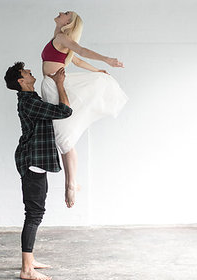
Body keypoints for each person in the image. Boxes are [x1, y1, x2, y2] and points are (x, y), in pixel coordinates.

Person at [41, 11, 129, 208]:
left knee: (63, 136)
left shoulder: (63, 38)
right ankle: (71, 182)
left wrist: (106, 61)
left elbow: (81, 52)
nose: (60, 13)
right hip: (51, 85)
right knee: (63, 136)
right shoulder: (58, 37)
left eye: (66, 14)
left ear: (68, 22)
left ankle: (71, 184)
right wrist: (96, 69)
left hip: (57, 86)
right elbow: (77, 61)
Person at [4, 62, 72, 280]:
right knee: (34, 214)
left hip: (36, 161)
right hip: (32, 161)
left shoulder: (31, 100)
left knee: (35, 213)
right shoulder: (29, 102)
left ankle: (30, 260)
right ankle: (26, 269)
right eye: (26, 73)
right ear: (21, 81)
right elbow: (65, 111)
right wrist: (60, 84)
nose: (31, 73)